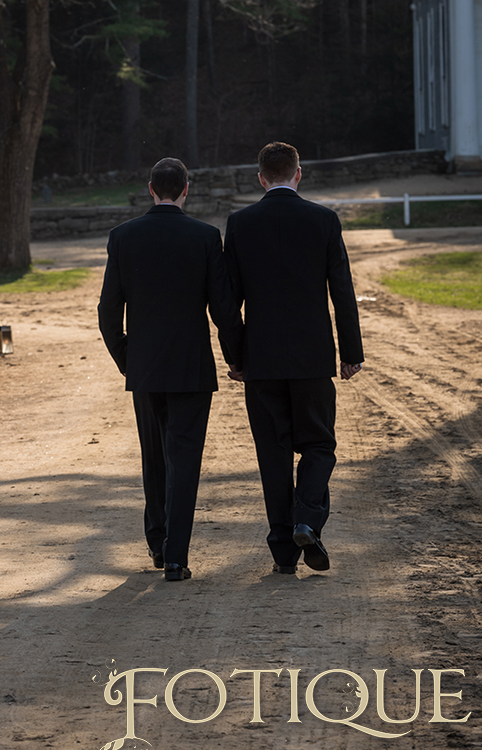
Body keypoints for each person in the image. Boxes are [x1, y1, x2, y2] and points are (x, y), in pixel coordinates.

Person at [98, 157, 244, 582]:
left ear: (150, 189)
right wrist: (237, 356)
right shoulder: (204, 236)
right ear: (185, 190)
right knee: (185, 460)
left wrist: (130, 361)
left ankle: (158, 543)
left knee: (154, 457)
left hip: (145, 368)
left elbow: (109, 313)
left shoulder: (123, 237)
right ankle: (177, 555)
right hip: (191, 367)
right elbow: (223, 309)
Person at [224, 141, 363, 574]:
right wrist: (351, 352)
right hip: (312, 357)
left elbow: (229, 302)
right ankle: (307, 518)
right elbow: (341, 290)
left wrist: (236, 357)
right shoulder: (323, 219)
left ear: (261, 177)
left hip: (262, 360)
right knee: (319, 444)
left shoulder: (241, 223)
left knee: (274, 453)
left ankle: (284, 552)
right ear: (298, 174)